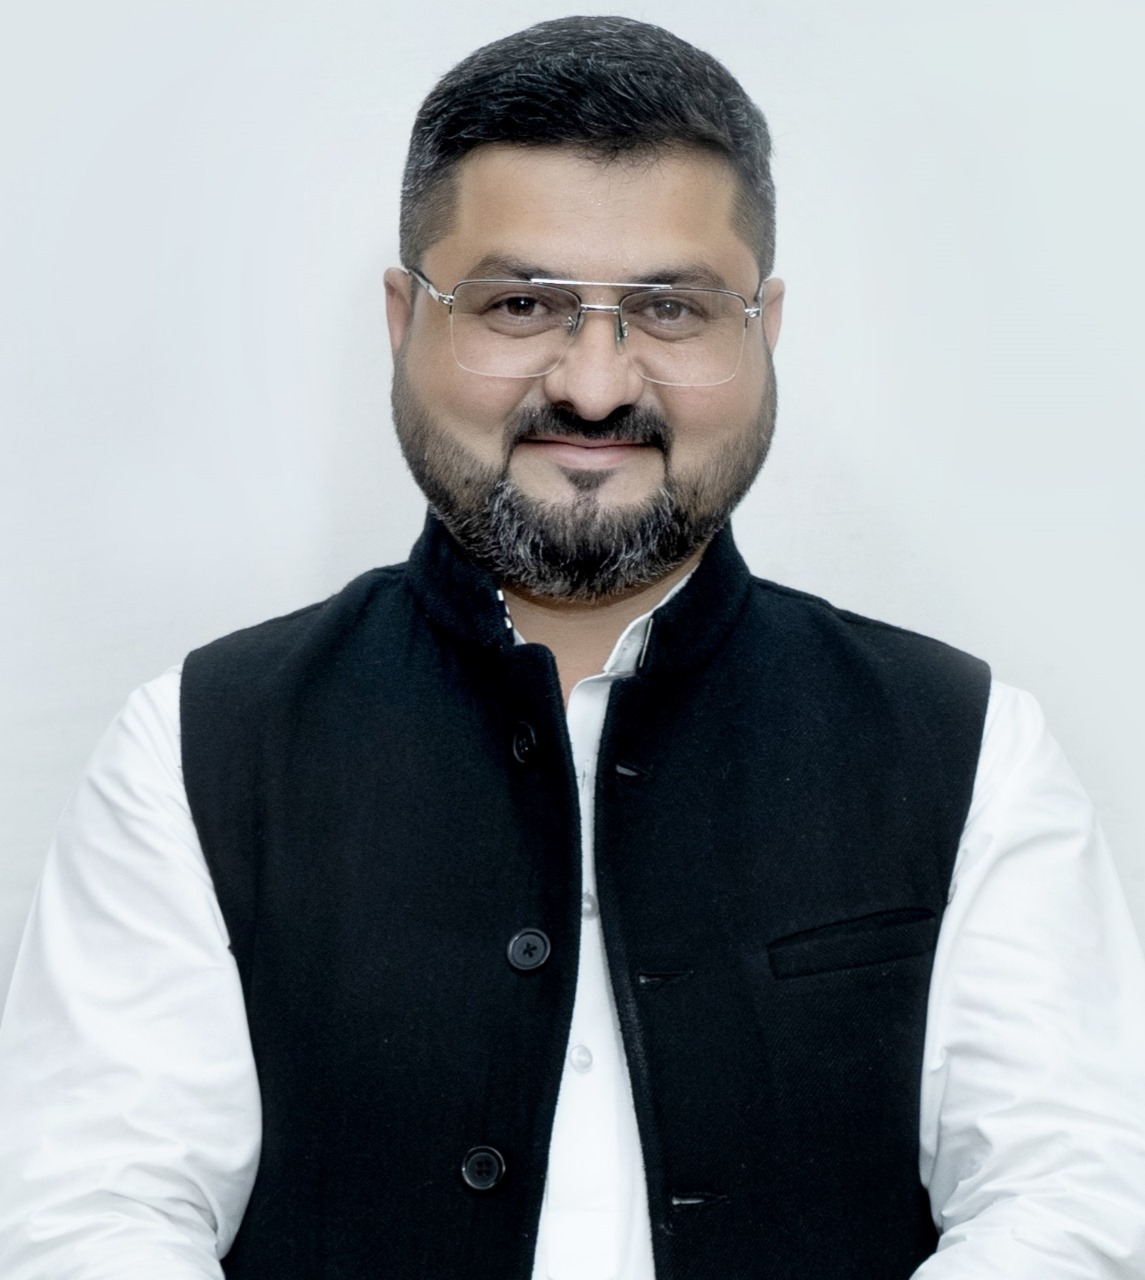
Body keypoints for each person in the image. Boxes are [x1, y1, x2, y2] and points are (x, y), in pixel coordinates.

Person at [1, 14, 1143, 1279]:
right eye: (520, 303)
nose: (594, 386)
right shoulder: (192, 747)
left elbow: (1064, 1203)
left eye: (669, 308)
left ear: (761, 331)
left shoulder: (972, 746)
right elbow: (95, 1219)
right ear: (403, 318)